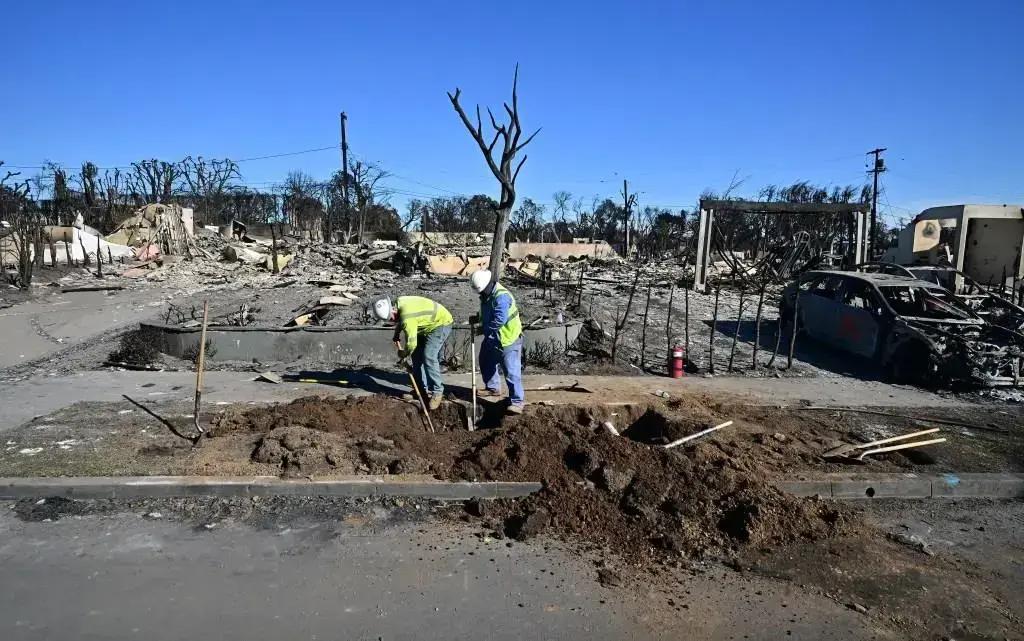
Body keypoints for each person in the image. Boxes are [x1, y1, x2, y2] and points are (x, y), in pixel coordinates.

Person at [373, 296, 453, 410]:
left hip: (440, 323)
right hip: (424, 324)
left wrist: (404, 354)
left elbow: (411, 343)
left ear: (393, 310)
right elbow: (402, 320)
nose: (392, 321)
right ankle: (420, 389)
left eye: (391, 319)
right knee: (416, 356)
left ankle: (437, 392)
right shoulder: (399, 304)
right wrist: (397, 333)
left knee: (429, 356)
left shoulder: (407, 318)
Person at [469, 270, 525, 414]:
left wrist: (483, 329)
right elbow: (487, 313)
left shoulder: (502, 297)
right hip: (493, 337)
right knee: (485, 360)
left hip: (508, 339)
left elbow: (499, 319)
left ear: (488, 284)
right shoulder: (486, 295)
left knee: (511, 371)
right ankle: (492, 388)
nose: (480, 293)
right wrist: (478, 319)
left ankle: (517, 401)